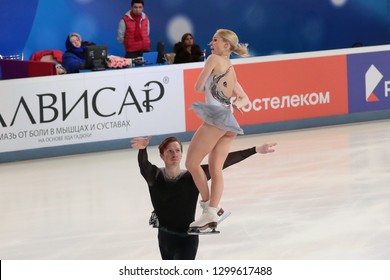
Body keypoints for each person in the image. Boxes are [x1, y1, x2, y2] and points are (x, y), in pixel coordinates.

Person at [131, 135, 276, 260]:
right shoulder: (155, 176)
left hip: (187, 239)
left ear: (181, 154)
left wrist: (255, 150)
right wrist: (142, 149)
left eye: (177, 150)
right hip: (164, 238)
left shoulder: (193, 177)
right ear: (162, 156)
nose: (174, 154)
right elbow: (144, 165)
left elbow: (222, 162)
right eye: (169, 151)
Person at [185, 29, 250, 233]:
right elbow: (245, 98)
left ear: (226, 45)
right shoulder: (231, 68)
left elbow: (197, 87)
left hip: (215, 120)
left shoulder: (213, 59)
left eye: (215, 40)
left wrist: (206, 68)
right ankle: (215, 209)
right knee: (215, 169)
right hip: (228, 122)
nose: (211, 43)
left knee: (191, 163)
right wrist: (235, 101)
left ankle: (208, 209)